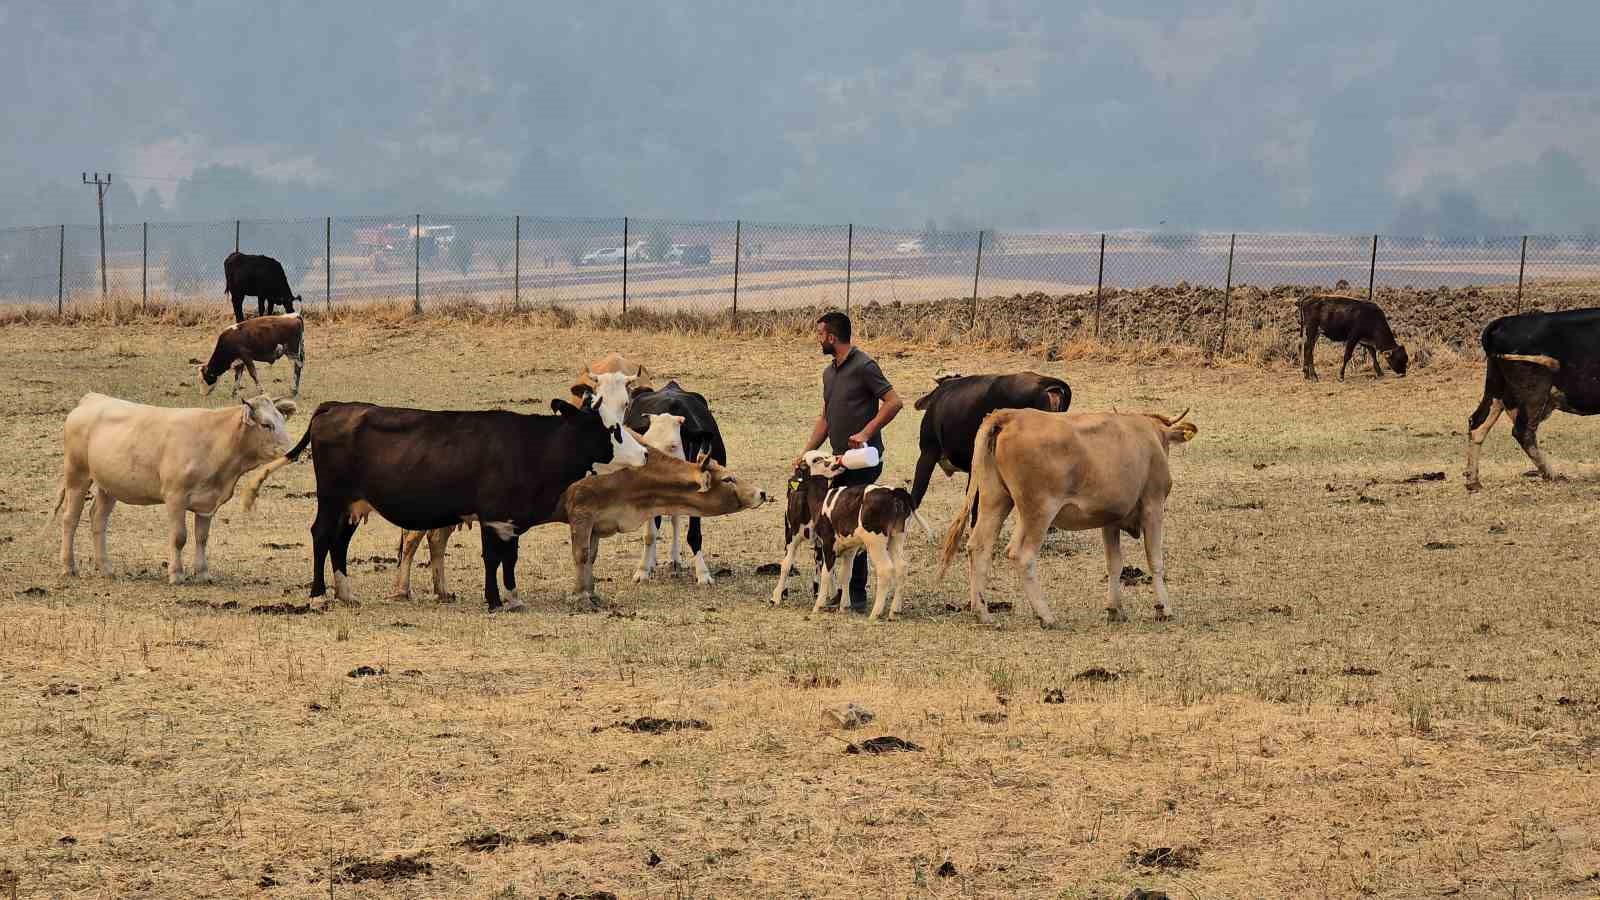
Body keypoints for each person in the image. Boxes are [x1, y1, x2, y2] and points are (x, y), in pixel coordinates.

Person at [794, 311, 904, 613]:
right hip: (837, 463)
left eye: (820, 334)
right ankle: (832, 589)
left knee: (861, 528)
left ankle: (856, 595)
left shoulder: (865, 366)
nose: (818, 339)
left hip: (864, 460)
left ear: (832, 337)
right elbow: (826, 418)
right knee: (831, 526)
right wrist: (806, 453)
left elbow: (894, 402)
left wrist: (867, 431)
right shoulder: (829, 373)